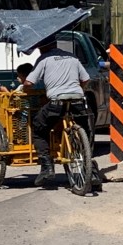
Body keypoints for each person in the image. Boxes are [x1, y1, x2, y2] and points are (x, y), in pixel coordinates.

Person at [23, 36, 90, 187]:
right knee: (85, 129)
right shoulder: (73, 57)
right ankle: (90, 170)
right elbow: (86, 80)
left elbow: (28, 82)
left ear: (41, 47)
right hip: (78, 100)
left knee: (39, 128)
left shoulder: (44, 59)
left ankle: (47, 167)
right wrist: (77, 90)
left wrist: (27, 88)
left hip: (56, 103)